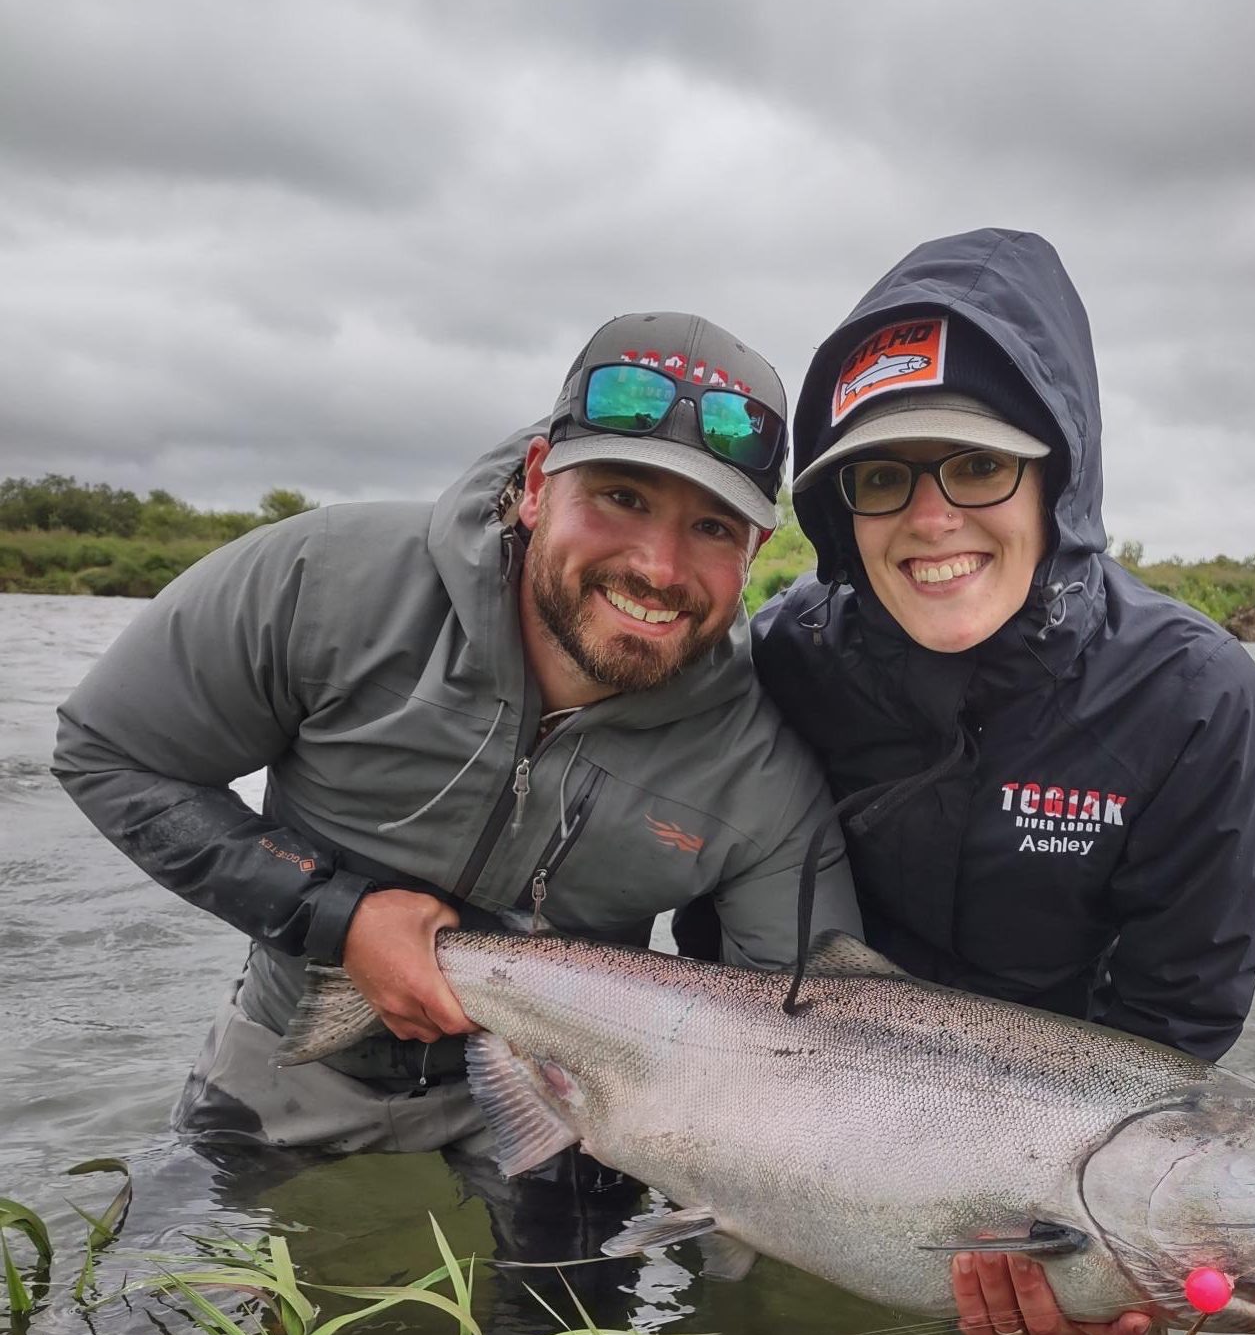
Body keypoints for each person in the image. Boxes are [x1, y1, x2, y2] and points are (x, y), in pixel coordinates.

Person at [53, 311, 860, 1233]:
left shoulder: (768, 772)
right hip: (291, 1054)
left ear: (756, 553)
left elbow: (809, 1046)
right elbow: (107, 750)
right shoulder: (324, 580)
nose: (658, 565)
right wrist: (339, 915)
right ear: (534, 484)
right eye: (622, 498)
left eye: (713, 526)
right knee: (139, 1314)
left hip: (573, 1109)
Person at [751, 229, 1255, 1335]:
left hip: (1052, 1153)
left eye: (979, 465)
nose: (932, 517)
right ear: (841, 512)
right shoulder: (782, 654)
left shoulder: (1196, 700)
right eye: (883, 477)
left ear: (1058, 474)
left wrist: (1099, 1247)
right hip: (795, 1114)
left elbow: (1173, 1026)